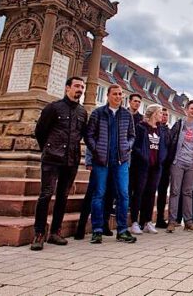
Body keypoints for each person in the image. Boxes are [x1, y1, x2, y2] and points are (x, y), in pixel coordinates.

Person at [30, 76, 88, 251]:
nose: (80, 89)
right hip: (52, 157)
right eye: (77, 86)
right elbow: (40, 131)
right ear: (67, 88)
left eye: (82, 87)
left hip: (71, 159)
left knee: (63, 196)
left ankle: (55, 232)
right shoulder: (53, 108)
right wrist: (48, 148)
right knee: (46, 194)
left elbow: (82, 134)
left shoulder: (82, 112)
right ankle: (39, 234)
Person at [85, 85, 137, 244]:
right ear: (108, 95)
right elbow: (89, 135)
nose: (118, 96)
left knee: (123, 194)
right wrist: (96, 151)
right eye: (115, 94)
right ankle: (97, 231)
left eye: (120, 94)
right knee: (99, 194)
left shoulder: (127, 115)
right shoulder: (98, 113)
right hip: (102, 161)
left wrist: (127, 147)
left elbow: (131, 135)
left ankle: (122, 230)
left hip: (121, 161)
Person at [129, 104, 167, 235]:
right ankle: (134, 221)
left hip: (155, 167)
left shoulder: (161, 130)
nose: (162, 115)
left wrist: (161, 158)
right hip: (142, 166)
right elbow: (135, 146)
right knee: (138, 193)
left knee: (151, 194)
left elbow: (164, 146)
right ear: (153, 114)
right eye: (160, 112)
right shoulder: (141, 128)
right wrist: (144, 156)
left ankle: (147, 221)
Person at [167, 100, 193, 233]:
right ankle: (172, 221)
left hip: (192, 164)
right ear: (186, 110)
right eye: (192, 108)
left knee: (188, 193)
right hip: (178, 162)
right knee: (175, 191)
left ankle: (188, 221)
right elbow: (171, 140)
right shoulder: (179, 124)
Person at [155, 108, 173, 229]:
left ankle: (160, 218)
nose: (164, 116)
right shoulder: (154, 128)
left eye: (167, 115)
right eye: (163, 114)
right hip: (153, 164)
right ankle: (144, 220)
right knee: (149, 192)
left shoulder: (169, 131)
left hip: (165, 165)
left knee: (162, 193)